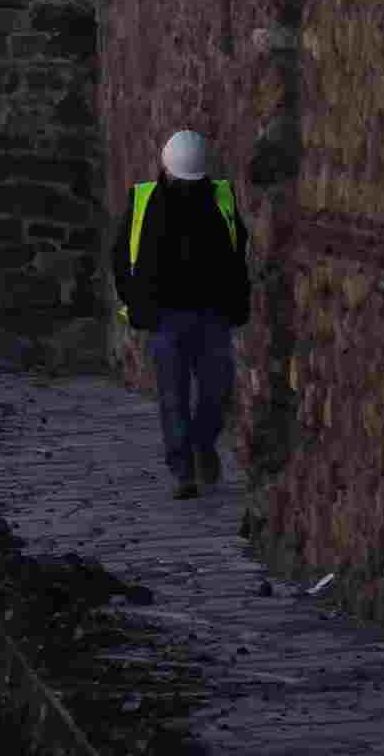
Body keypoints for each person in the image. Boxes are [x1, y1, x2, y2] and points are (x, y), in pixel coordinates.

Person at [111, 130, 253, 500]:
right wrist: (136, 302)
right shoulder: (145, 200)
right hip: (166, 317)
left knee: (216, 392)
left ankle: (203, 447)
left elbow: (239, 251)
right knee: (173, 397)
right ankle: (183, 471)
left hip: (212, 314)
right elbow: (121, 255)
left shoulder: (221, 198)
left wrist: (237, 302)